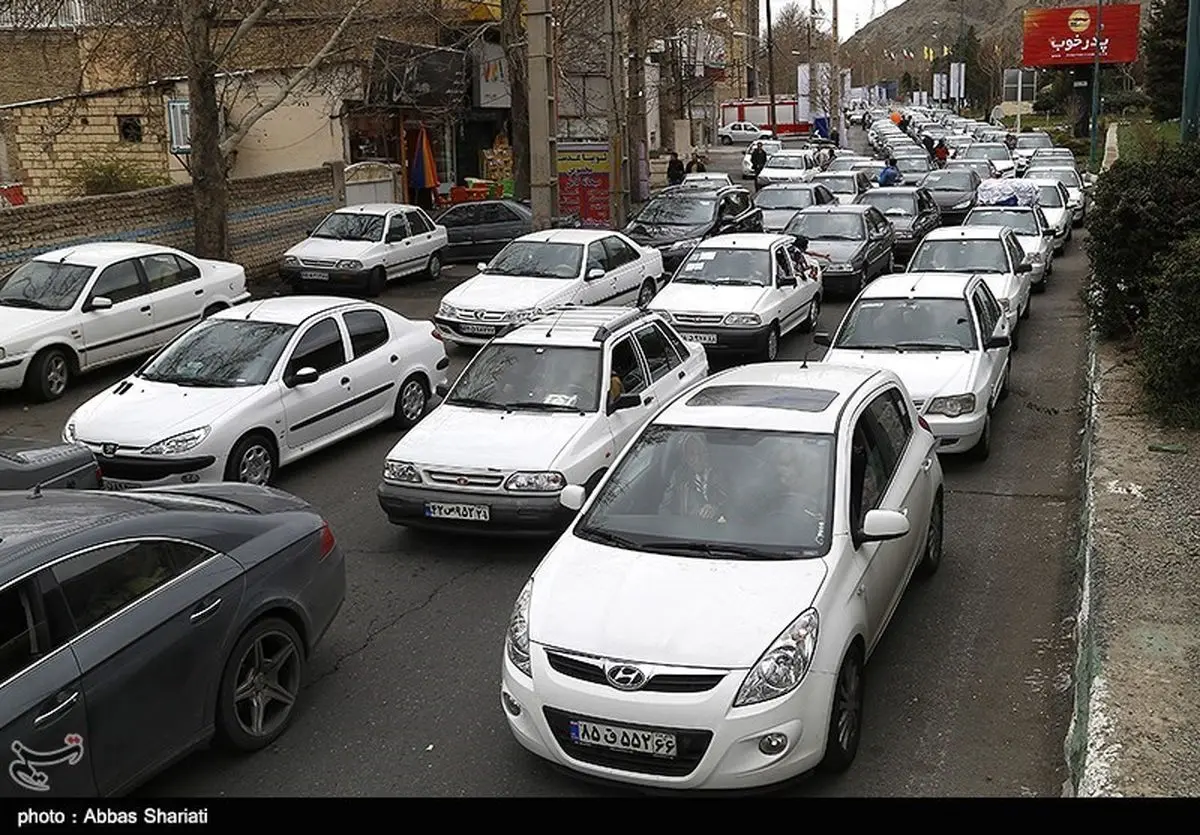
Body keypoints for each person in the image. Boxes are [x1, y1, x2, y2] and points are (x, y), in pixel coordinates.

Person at [660, 434, 729, 521]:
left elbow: (734, 502)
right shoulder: (679, 477)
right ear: (685, 457)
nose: (697, 458)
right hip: (687, 530)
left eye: (701, 452)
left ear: (707, 453)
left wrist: (716, 508)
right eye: (691, 454)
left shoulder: (722, 474)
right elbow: (665, 508)